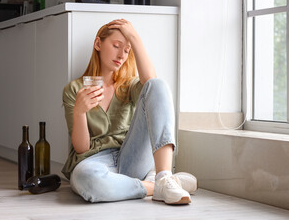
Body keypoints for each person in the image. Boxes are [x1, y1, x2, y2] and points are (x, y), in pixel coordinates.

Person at [61, 19, 197, 205]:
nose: (121, 55)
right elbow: (82, 148)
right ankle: (156, 185)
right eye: (116, 46)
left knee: (158, 84)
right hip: (95, 161)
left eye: (127, 50)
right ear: (98, 44)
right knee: (86, 180)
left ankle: (164, 177)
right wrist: (80, 112)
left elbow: (151, 83)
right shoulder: (74, 90)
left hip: (132, 156)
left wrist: (134, 36)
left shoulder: (129, 86)